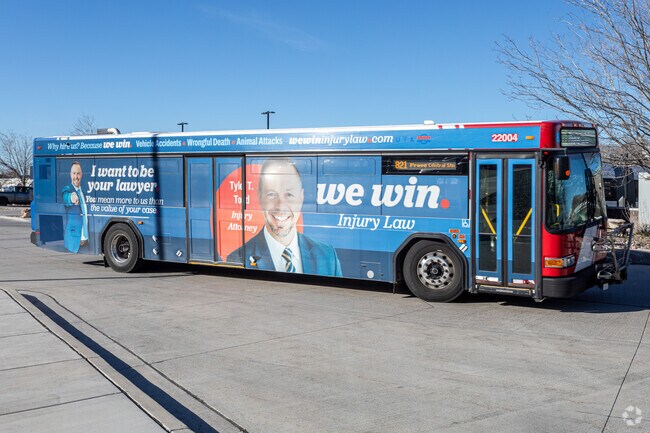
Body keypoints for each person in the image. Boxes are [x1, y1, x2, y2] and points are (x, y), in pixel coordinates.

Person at [227, 159, 342, 276]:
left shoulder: (328, 256)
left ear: (301, 198)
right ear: (260, 198)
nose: (281, 206)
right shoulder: (237, 257)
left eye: (289, 195)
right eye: (271, 194)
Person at [61, 161, 89, 253]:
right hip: (74, 241)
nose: (76, 177)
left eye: (78, 174)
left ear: (81, 175)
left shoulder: (84, 191)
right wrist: (71, 198)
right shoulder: (67, 189)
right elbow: (66, 197)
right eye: (74, 173)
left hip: (87, 241)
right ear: (70, 174)